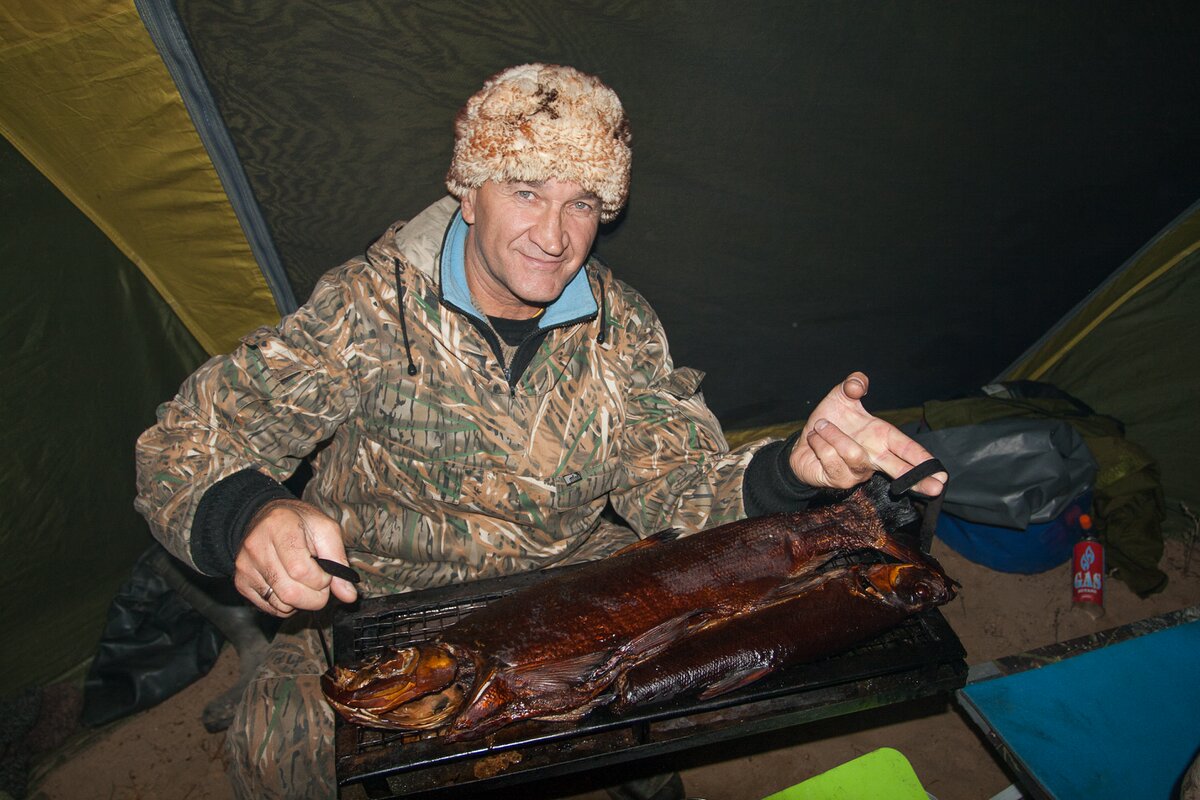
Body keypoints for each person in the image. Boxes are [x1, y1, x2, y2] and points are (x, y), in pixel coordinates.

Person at [135, 63, 945, 800]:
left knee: (676, 688)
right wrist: (250, 514)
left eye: (581, 203)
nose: (554, 237)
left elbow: (678, 490)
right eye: (526, 191)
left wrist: (792, 472)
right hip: (383, 604)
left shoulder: (620, 329)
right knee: (276, 748)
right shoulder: (369, 310)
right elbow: (185, 442)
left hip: (573, 594)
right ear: (469, 192)